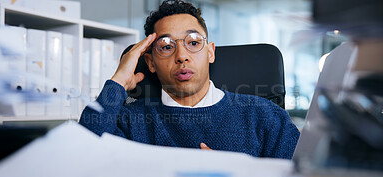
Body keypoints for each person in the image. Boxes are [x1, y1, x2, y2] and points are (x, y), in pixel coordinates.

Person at [79, 0, 300, 159]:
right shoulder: (130, 120)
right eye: (166, 47)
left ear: (210, 52)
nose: (181, 55)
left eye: (193, 42)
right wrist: (118, 81)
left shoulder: (266, 116)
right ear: (151, 63)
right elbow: (81, 155)